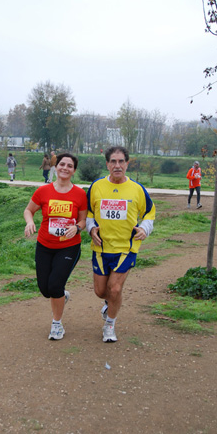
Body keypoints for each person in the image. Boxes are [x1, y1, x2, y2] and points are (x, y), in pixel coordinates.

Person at [86, 146, 156, 343]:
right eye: (113, 162)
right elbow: (89, 212)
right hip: (101, 248)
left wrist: (145, 228)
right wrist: (91, 229)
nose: (117, 166)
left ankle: (109, 325)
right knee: (101, 292)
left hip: (126, 248)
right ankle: (110, 304)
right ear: (107, 164)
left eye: (121, 161)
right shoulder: (96, 186)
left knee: (115, 289)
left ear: (127, 163)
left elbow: (149, 212)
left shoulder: (137, 189)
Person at [24, 153, 87, 340]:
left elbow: (83, 220)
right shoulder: (43, 191)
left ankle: (57, 324)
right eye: (62, 164)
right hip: (44, 245)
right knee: (45, 290)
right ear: (56, 166)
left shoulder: (80, 194)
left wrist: (76, 228)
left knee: (55, 285)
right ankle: (61, 295)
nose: (65, 168)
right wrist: (29, 222)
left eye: (69, 165)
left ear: (74, 170)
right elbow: (29, 210)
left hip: (69, 246)